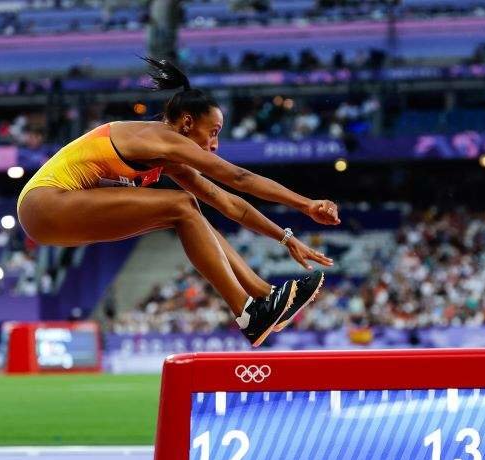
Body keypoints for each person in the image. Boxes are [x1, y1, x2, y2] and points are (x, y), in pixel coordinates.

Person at [17, 57, 337, 346]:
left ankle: (263, 297)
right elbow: (239, 179)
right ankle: (250, 312)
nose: (213, 145)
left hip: (55, 215)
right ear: (186, 123)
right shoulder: (158, 137)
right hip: (45, 203)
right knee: (182, 203)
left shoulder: (165, 156)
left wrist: (285, 237)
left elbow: (229, 204)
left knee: (189, 209)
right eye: (212, 132)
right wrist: (306, 204)